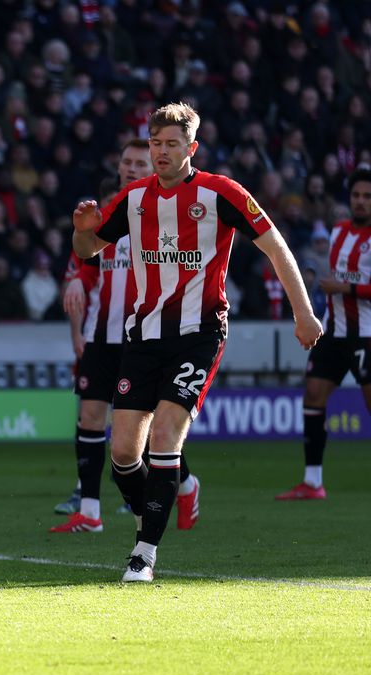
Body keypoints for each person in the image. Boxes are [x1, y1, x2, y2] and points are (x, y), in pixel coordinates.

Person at [65, 103, 322, 582]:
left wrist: (303, 312)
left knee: (165, 437)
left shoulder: (221, 193)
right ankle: (160, 510)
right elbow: (88, 250)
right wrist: (81, 233)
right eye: (155, 144)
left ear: (191, 148)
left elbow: (276, 246)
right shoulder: (132, 198)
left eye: (171, 145)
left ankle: (143, 552)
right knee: (122, 453)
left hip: (198, 334)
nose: (161, 153)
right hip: (142, 336)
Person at [53, 139, 202, 533]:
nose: (133, 168)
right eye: (127, 162)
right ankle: (90, 511)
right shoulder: (103, 218)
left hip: (147, 336)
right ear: (119, 167)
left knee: (149, 432)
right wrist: (75, 289)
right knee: (89, 416)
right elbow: (84, 267)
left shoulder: (162, 213)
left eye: (141, 162)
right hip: (101, 335)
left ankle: (185, 484)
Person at [277, 168, 371, 500]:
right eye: (356, 196)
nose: (360, 202)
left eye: (367, 197)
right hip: (333, 332)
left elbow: (347, 281)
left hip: (367, 336)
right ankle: (313, 482)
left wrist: (345, 287)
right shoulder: (338, 231)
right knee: (313, 397)